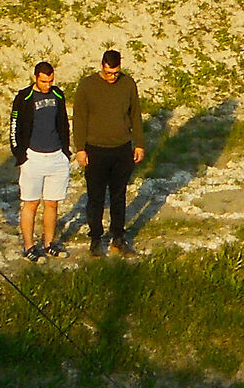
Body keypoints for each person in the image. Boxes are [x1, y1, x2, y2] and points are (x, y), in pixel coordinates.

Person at [72, 48, 146, 257]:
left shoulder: (128, 83)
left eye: (115, 73)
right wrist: (80, 148)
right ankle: (95, 238)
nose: (112, 77)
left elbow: (135, 115)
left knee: (118, 195)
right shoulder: (87, 85)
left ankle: (118, 237)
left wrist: (138, 144)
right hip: (95, 149)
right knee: (95, 197)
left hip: (122, 148)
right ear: (102, 67)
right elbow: (79, 118)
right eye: (108, 72)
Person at [10, 61, 74, 259]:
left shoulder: (57, 94)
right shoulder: (24, 97)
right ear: (35, 78)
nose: (47, 85)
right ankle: (29, 247)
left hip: (56, 155)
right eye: (44, 81)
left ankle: (49, 243)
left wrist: (65, 150)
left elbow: (63, 122)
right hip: (33, 157)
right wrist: (20, 155)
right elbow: (14, 126)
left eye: (51, 81)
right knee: (31, 203)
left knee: (52, 203)